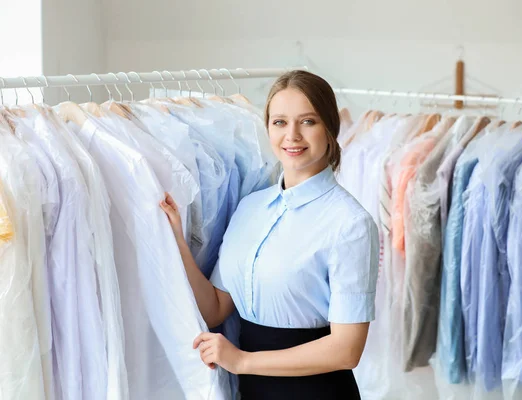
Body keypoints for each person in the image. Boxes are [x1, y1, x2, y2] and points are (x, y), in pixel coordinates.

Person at [160, 70, 378, 399]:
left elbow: (346, 350)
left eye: (308, 121)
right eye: (279, 122)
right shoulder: (249, 208)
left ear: (329, 128)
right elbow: (216, 308)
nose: (292, 135)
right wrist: (177, 240)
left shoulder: (350, 224)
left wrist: (243, 361)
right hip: (252, 390)